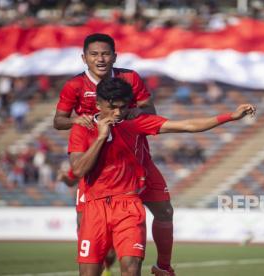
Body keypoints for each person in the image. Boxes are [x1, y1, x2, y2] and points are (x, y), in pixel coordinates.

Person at [70, 77, 255, 276]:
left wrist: (231, 116)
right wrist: (101, 137)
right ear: (98, 104)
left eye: (123, 107)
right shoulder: (83, 128)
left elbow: (187, 125)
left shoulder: (136, 122)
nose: (117, 113)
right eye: (112, 107)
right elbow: (79, 170)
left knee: (131, 269)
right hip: (94, 207)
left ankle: (163, 267)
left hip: (128, 205)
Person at [53, 33, 174, 275]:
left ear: (114, 56)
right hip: (95, 159)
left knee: (165, 211)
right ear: (84, 58)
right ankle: (103, 263)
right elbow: (58, 121)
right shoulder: (74, 85)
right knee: (86, 222)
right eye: (94, 54)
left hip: (132, 155)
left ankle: (163, 267)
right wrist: (80, 120)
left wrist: (133, 112)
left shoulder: (129, 77)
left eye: (105, 53)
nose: (100, 59)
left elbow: (150, 109)